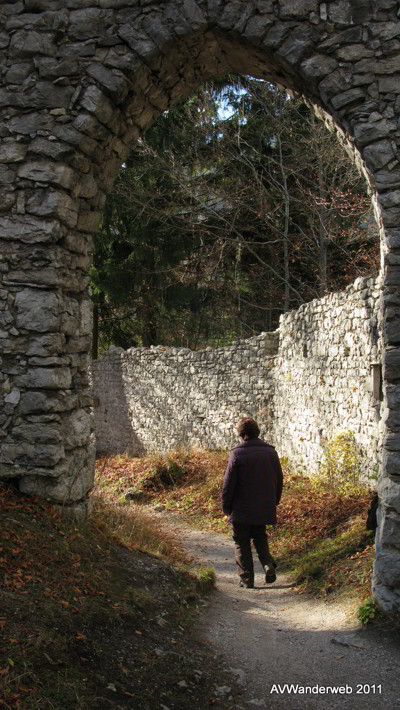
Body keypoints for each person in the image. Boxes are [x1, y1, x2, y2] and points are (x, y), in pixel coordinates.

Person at [222, 417, 283, 589]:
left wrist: (226, 506)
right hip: (264, 505)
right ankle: (267, 564)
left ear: (241, 434)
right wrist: (274, 500)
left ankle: (246, 578)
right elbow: (279, 478)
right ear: (257, 432)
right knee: (259, 535)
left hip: (241, 508)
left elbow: (229, 484)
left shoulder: (237, 453)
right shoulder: (271, 452)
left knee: (241, 541)